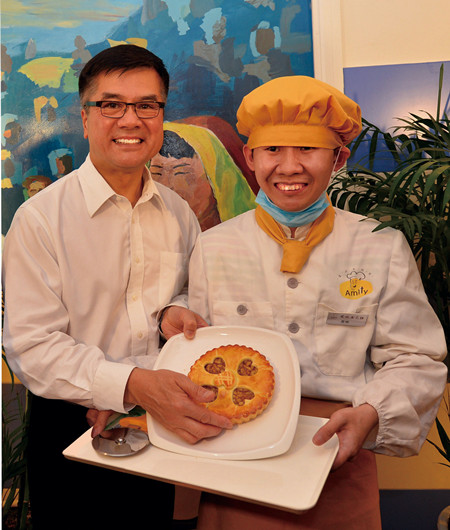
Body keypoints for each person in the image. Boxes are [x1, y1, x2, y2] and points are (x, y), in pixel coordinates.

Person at [181, 76, 448, 529]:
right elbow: (201, 348)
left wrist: (370, 414)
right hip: (233, 452)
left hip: (339, 446)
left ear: (338, 158)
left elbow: (416, 356)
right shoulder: (215, 246)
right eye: (272, 150)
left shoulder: (379, 246)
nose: (289, 167)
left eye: (307, 150)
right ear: (249, 157)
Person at [2, 44, 231, 530]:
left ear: (161, 116)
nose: (131, 119)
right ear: (84, 118)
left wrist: (176, 310)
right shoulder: (40, 220)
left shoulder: (179, 212)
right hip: (73, 423)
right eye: (111, 104)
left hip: (170, 418)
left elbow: (191, 295)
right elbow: (31, 346)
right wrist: (128, 386)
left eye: (147, 105)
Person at [150, 122, 255, 231]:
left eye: (181, 173)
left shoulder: (244, 234)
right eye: (157, 173)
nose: (167, 186)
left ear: (214, 181)